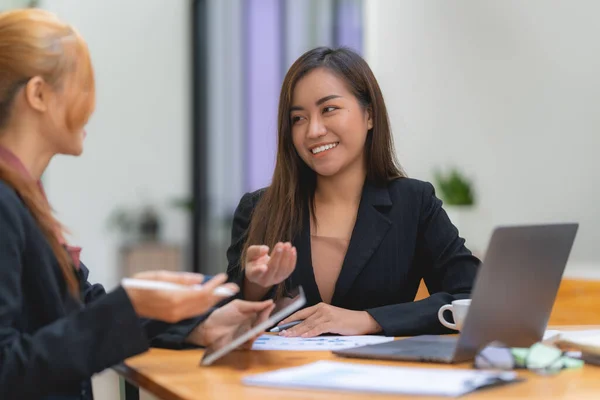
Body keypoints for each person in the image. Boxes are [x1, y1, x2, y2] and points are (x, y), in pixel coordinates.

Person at [0, 9, 274, 400]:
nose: (91, 105)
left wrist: (196, 322)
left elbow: (81, 308)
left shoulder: (22, 199)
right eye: (81, 87)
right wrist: (132, 303)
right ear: (38, 94)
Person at [227, 46, 480, 338]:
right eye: (298, 118)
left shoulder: (414, 203)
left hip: (380, 379)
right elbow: (225, 323)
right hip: (277, 378)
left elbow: (473, 299)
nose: (314, 130)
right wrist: (255, 286)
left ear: (369, 115)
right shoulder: (259, 208)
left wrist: (369, 320)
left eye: (329, 109)